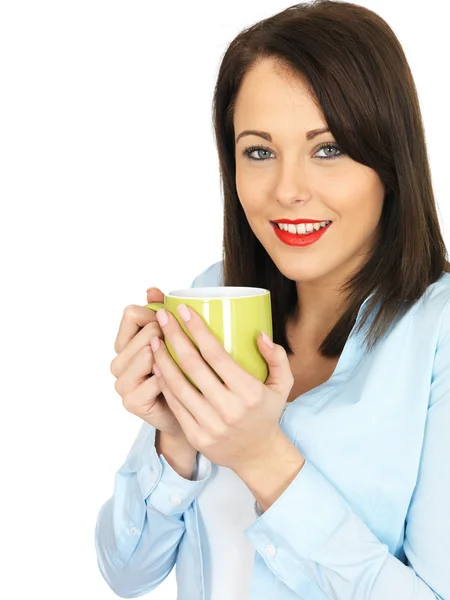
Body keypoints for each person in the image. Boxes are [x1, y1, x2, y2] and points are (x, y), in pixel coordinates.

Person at [94, 1, 450, 598]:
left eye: (328, 148)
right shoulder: (212, 296)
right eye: (259, 151)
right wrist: (175, 438)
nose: (288, 191)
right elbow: (127, 573)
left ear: (390, 158)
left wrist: (262, 458)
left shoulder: (437, 332)